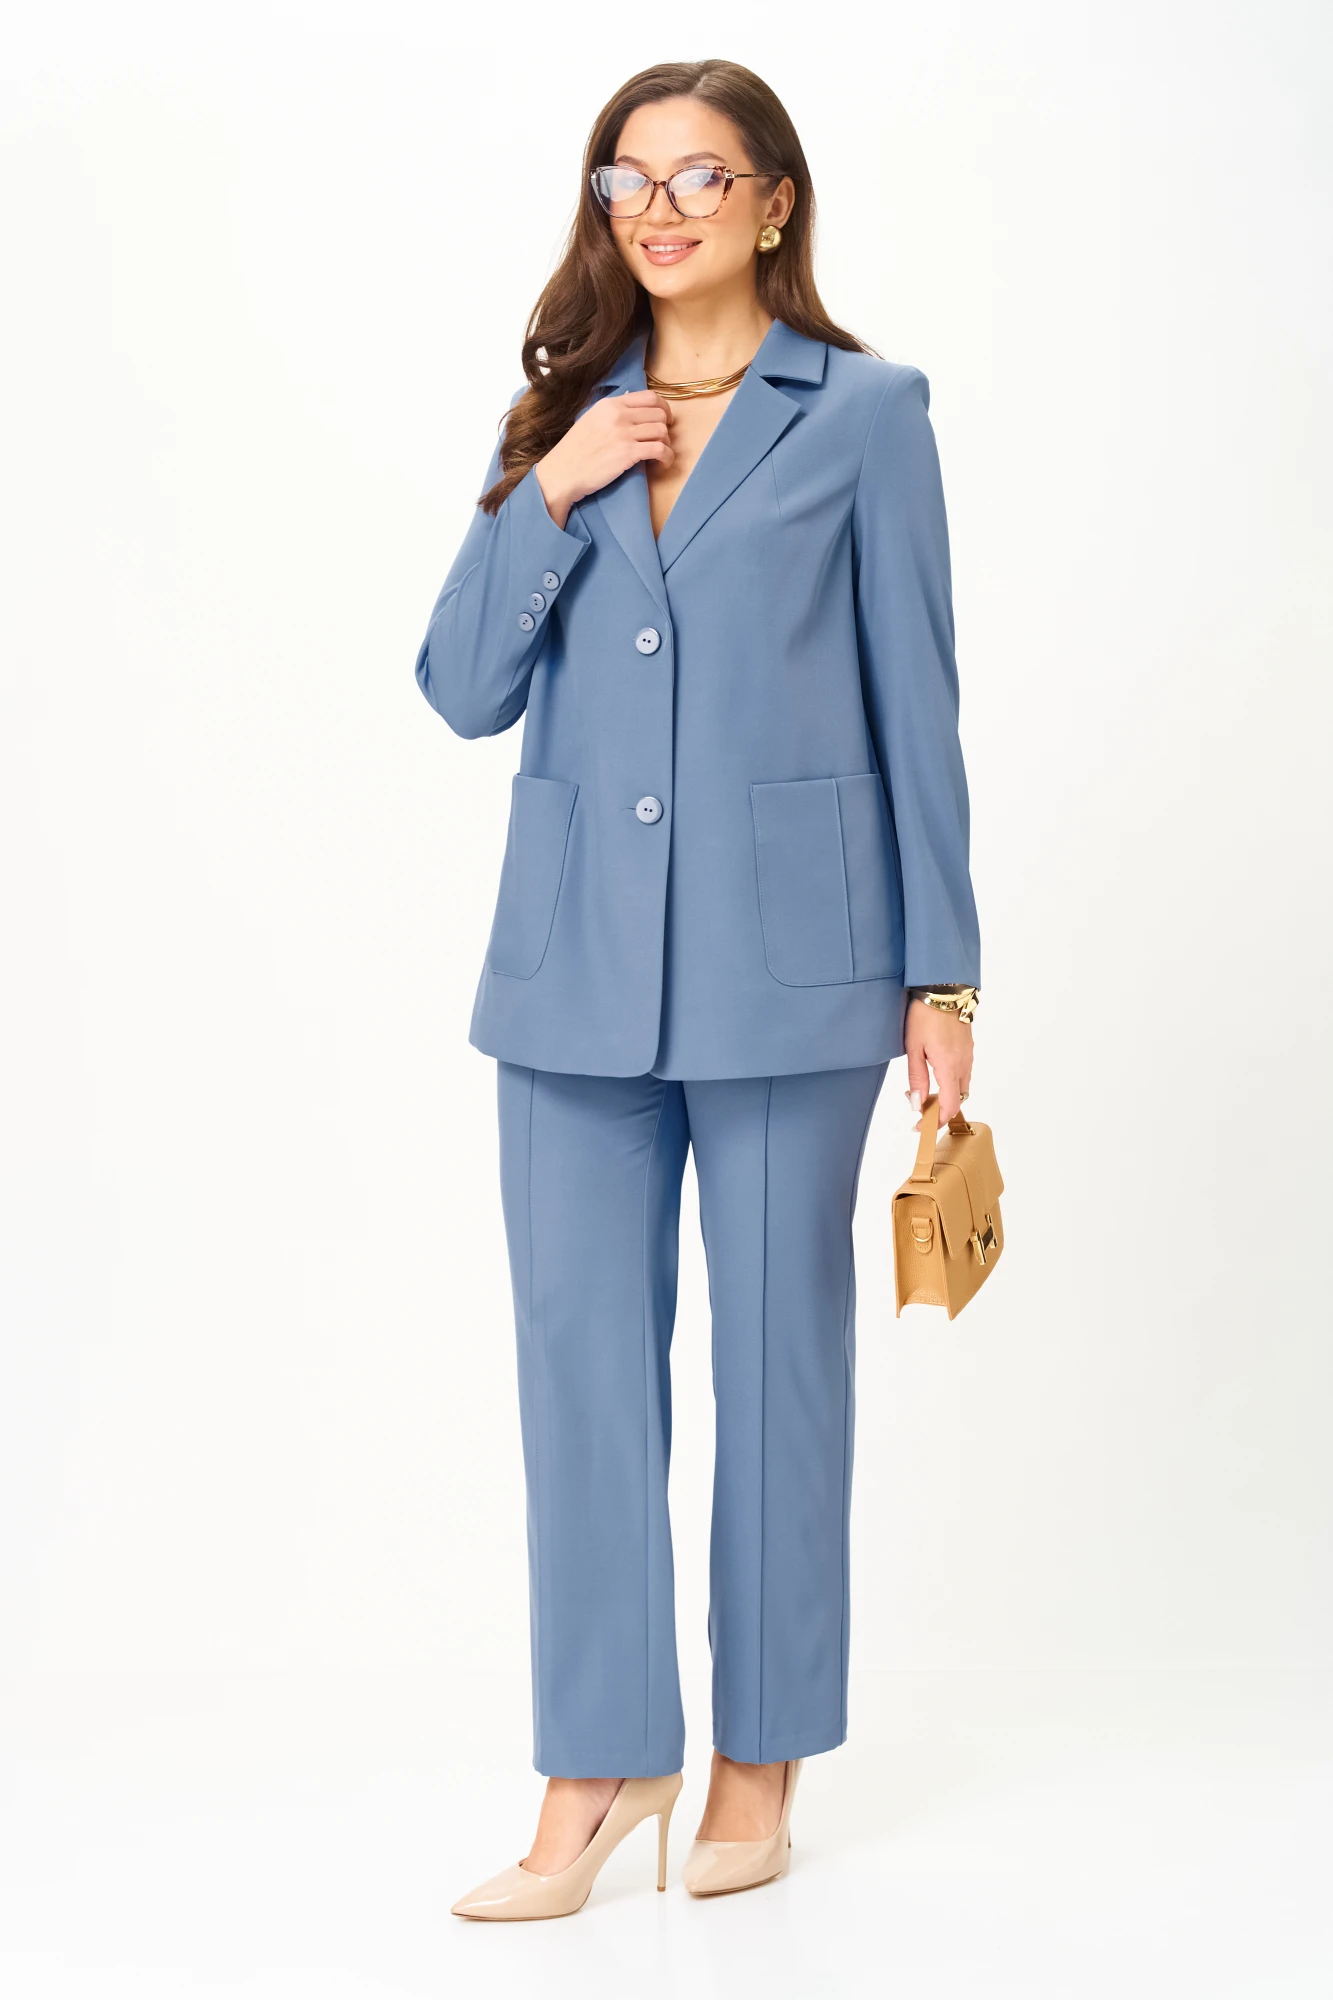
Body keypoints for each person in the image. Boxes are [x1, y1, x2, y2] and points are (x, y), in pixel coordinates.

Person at [413, 58, 981, 1920]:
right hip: (571, 968)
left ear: (774, 201)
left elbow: (918, 707)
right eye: (625, 181)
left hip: (792, 967)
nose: (656, 211)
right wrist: (555, 489)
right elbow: (461, 688)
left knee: (778, 1364)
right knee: (579, 1371)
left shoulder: (867, 414)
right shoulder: (563, 421)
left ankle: (762, 1752)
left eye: (698, 177)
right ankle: (599, 1764)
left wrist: (947, 976)